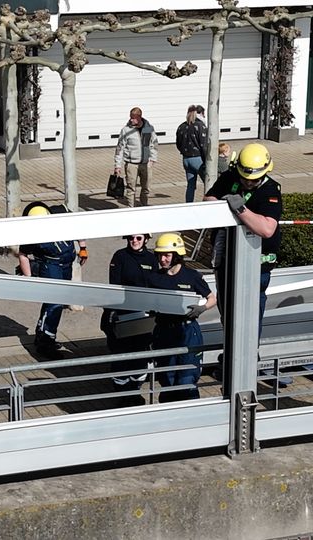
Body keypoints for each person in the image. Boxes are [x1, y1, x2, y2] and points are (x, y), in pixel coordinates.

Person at [203, 143, 292, 388]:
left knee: (250, 317)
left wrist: (240, 209)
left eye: (253, 180)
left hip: (257, 268)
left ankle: (247, 361)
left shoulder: (270, 190)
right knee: (227, 312)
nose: (248, 183)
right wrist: (225, 205)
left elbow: (266, 228)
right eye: (245, 179)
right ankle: (231, 356)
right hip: (227, 261)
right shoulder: (231, 177)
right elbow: (208, 199)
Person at [147, 233, 216, 402]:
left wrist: (201, 308)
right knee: (167, 378)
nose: (163, 259)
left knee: (187, 379)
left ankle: (190, 416)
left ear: (177, 256)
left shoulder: (191, 276)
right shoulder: (154, 277)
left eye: (167, 255)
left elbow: (212, 298)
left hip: (188, 331)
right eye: (160, 255)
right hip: (164, 331)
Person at [18, 201, 88, 358]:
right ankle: (45, 342)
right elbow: (23, 255)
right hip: (50, 266)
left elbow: (77, 226)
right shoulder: (31, 233)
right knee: (54, 303)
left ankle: (45, 334)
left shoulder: (60, 213)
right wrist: (29, 278)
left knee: (57, 302)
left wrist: (82, 248)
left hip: (66, 264)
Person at [102, 233, 158, 406]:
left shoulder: (152, 259)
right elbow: (115, 286)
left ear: (146, 239)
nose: (134, 241)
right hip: (123, 315)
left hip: (144, 318)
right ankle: (122, 394)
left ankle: (135, 390)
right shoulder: (120, 257)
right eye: (131, 238)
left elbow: (156, 285)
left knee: (140, 355)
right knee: (121, 356)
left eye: (139, 238)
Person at [114, 107, 158, 207]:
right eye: (130, 117)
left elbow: (154, 143)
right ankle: (131, 208)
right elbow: (119, 148)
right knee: (131, 188)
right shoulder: (126, 130)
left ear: (139, 118)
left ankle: (144, 206)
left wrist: (153, 159)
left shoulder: (148, 128)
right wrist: (118, 165)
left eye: (133, 118)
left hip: (146, 164)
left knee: (146, 188)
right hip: (131, 164)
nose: (131, 120)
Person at [176, 104, 208, 203]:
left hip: (186, 159)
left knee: (190, 185)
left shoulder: (182, 126)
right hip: (198, 158)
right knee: (208, 183)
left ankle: (188, 205)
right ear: (202, 113)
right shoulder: (200, 126)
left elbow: (178, 143)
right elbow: (203, 145)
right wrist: (207, 159)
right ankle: (209, 203)